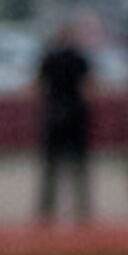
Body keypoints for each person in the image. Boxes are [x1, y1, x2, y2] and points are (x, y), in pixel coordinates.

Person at [33, 22, 95, 225]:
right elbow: (88, 88)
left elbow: (38, 87)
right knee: (78, 167)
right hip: (75, 116)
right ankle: (83, 211)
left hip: (54, 115)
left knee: (51, 168)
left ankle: (46, 212)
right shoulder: (79, 59)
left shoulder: (49, 59)